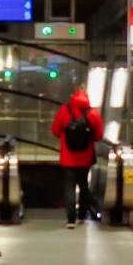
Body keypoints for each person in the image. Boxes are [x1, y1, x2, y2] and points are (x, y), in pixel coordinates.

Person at [50, 89, 104, 229]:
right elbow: (99, 135)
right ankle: (82, 216)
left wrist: (65, 137)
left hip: (68, 158)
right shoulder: (93, 113)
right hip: (85, 158)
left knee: (69, 186)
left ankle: (70, 220)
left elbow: (55, 130)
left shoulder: (64, 110)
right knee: (84, 186)